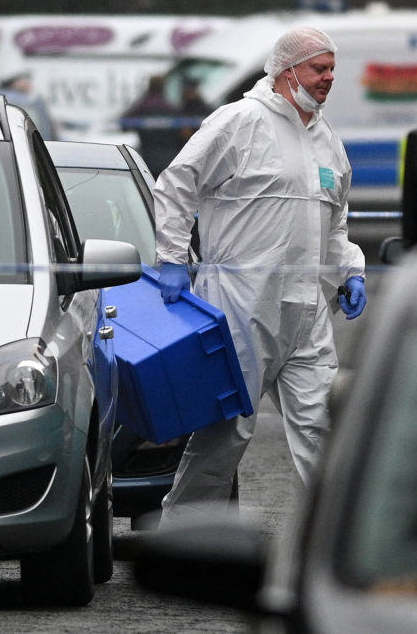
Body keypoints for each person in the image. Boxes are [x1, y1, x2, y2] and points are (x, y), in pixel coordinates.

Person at [152, 26, 366, 522]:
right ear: (288, 69)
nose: (329, 78)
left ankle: (338, 540)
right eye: (320, 68)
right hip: (240, 305)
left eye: (333, 68)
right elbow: (177, 184)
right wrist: (171, 258)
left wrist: (350, 269)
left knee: (322, 427)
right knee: (228, 431)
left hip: (307, 311)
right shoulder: (239, 121)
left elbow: (334, 224)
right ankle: (183, 536)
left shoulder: (327, 141)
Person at [121, 74, 184, 176]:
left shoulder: (142, 105)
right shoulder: (170, 107)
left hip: (147, 156)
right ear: (163, 87)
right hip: (169, 156)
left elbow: (124, 123)